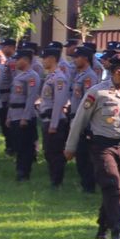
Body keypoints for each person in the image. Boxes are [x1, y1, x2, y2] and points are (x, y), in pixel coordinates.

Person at [67, 51, 120, 239]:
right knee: (113, 186)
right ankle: (117, 231)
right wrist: (70, 147)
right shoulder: (97, 92)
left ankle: (102, 229)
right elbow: (79, 121)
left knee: (115, 189)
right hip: (103, 147)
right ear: (119, 71)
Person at [35, 43, 72, 188]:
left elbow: (59, 102)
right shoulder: (50, 77)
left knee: (55, 153)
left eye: (44, 58)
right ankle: (54, 179)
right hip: (47, 119)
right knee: (48, 152)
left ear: (51, 59)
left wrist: (54, 124)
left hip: (54, 120)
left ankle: (57, 181)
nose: (43, 61)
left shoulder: (59, 78)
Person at [5, 49, 42, 181]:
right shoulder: (19, 76)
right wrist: (9, 116)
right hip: (15, 114)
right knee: (18, 145)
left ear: (25, 60)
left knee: (26, 146)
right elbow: (13, 98)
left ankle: (24, 172)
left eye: (18, 59)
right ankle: (19, 169)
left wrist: (25, 117)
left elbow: (31, 98)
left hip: (23, 115)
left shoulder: (32, 76)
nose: (15, 62)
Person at [68, 44, 101, 193]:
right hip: (76, 116)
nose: (74, 60)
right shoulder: (80, 75)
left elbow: (88, 101)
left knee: (85, 154)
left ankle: (89, 186)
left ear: (85, 58)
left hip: (84, 119)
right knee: (80, 154)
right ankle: (85, 184)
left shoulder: (89, 76)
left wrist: (83, 122)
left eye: (77, 57)